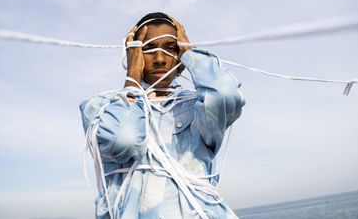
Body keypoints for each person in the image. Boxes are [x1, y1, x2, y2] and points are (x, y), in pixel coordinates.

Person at [80, 12, 245, 219]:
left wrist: (190, 54)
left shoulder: (198, 108)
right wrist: (132, 79)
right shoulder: (101, 108)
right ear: (133, 55)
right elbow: (123, 142)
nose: (159, 59)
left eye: (170, 48)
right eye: (148, 49)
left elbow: (225, 94)